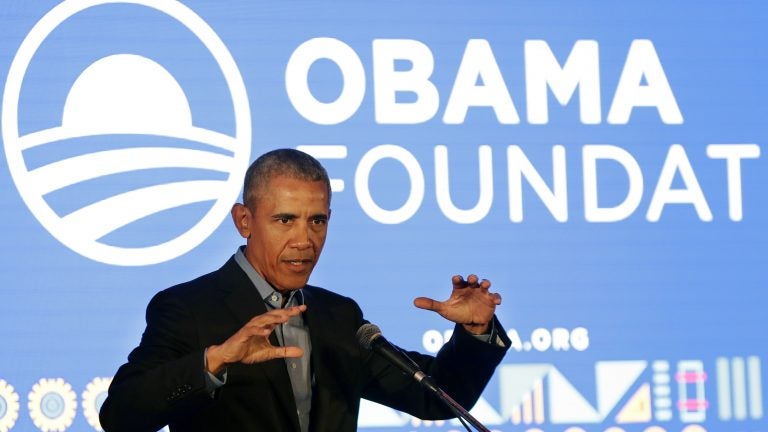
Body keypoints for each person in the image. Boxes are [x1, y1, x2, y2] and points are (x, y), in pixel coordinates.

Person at [99, 148, 510, 432]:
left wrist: (476, 332)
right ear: (244, 220)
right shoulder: (188, 308)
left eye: (317, 221)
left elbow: (437, 396)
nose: (305, 240)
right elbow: (121, 414)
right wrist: (215, 360)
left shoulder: (339, 317)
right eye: (284, 220)